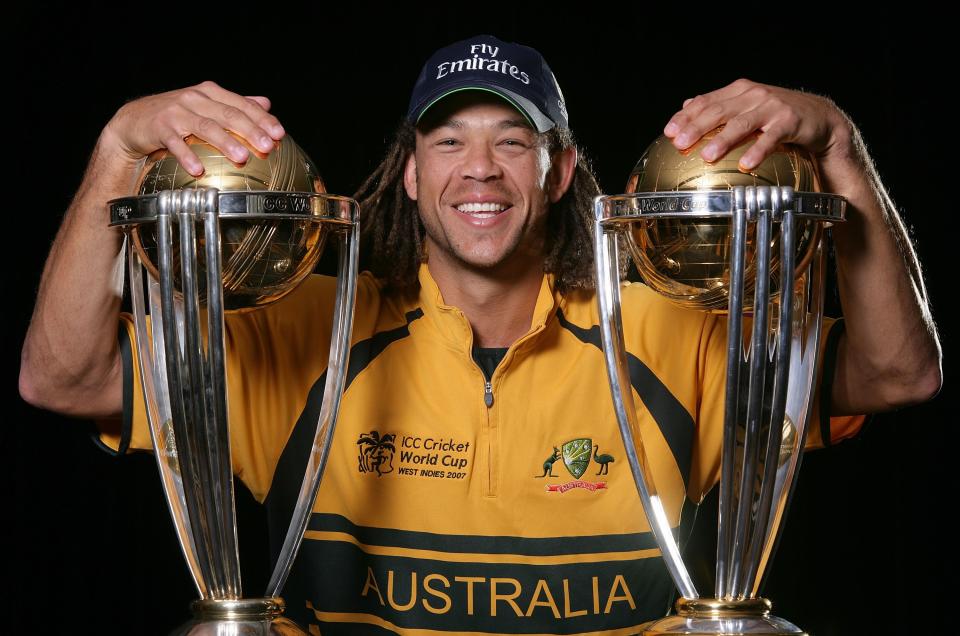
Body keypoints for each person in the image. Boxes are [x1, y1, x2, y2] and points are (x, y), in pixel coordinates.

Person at [19, 34, 941, 634]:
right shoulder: (305, 334)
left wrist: (843, 159)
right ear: (411, 174)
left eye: (513, 139)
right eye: (449, 141)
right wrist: (114, 155)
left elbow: (899, 375)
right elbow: (61, 379)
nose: (481, 169)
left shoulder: (672, 328)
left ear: (561, 169)